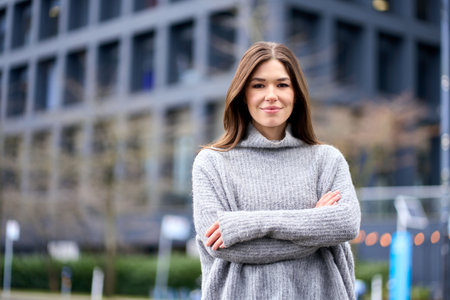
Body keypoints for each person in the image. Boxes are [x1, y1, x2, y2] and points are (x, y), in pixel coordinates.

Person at [192, 41, 361, 300]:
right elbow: (222, 248)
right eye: (258, 85)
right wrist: (313, 227)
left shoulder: (327, 159)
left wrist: (249, 224)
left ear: (296, 93)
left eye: (282, 84)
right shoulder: (211, 163)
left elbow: (346, 224)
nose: (271, 95)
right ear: (243, 93)